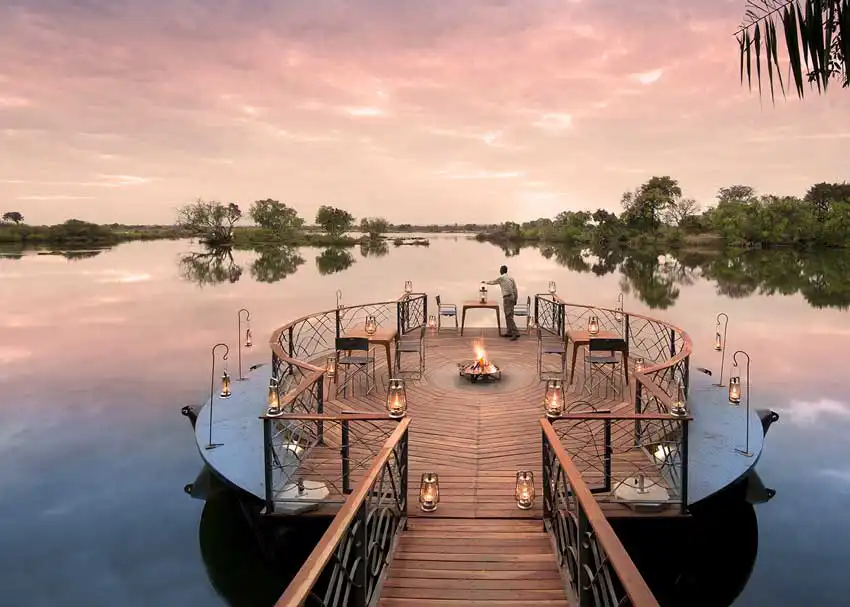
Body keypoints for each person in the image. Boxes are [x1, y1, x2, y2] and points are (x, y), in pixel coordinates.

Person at [485, 265, 520, 340]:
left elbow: (493, 282)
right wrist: (515, 298)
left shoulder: (501, 278)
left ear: (502, 270)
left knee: (508, 316)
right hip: (512, 297)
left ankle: (515, 332)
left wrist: (485, 282)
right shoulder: (511, 278)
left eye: (500, 270)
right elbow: (515, 289)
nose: (500, 271)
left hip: (507, 298)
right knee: (510, 315)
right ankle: (509, 332)